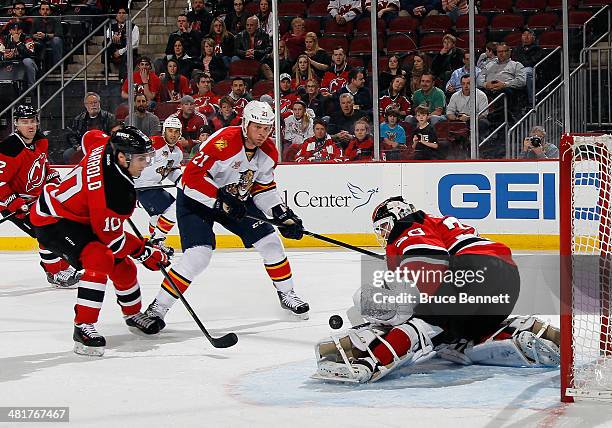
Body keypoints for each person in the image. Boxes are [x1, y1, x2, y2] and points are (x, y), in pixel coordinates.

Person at [314, 196, 559, 383]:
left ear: (398, 216)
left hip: (471, 274)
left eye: (385, 226)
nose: (385, 233)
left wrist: (393, 308)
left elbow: (429, 260)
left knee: (420, 319)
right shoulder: (435, 224)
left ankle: (371, 361)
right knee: (451, 339)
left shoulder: (408, 225)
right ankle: (514, 333)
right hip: (505, 283)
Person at [144, 101, 310, 329]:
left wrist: (282, 214)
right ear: (245, 124)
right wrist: (220, 199)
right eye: (257, 127)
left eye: (267, 128)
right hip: (196, 200)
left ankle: (287, 294)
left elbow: (263, 189)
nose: (262, 133)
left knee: (271, 242)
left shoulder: (269, 152)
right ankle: (157, 308)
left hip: (234, 200)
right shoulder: (223, 141)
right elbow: (191, 178)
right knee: (198, 256)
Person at [30, 127, 170, 356]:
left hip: (81, 216)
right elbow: (114, 242)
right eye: (141, 158)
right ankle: (83, 327)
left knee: (123, 267)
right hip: (54, 220)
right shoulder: (114, 192)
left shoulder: (105, 145)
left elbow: (90, 135)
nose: (146, 163)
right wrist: (147, 253)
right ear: (122, 157)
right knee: (100, 258)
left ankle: (133, 314)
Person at [0, 104, 80, 288]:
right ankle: (54, 273)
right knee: (45, 235)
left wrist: (53, 181)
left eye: (32, 121)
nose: (30, 126)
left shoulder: (40, 140)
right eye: (24, 122)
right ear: (16, 124)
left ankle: (62, 266)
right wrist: (14, 203)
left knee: (61, 229)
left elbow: (43, 166)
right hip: (14, 204)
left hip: (37, 200)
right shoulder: (9, 148)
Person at [135, 117, 184, 256]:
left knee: (157, 217)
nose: (173, 134)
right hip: (141, 187)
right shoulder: (154, 142)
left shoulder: (178, 151)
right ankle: (156, 240)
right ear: (164, 131)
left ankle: (157, 244)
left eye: (176, 131)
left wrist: (180, 179)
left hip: (154, 186)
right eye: (170, 131)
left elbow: (172, 169)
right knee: (176, 208)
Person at [233, 15, 273, 80]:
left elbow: (268, 49)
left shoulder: (264, 35)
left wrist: (255, 52)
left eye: (251, 25)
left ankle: (272, 82)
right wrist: (245, 53)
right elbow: (236, 50)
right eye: (247, 25)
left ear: (257, 26)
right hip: (244, 59)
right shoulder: (240, 35)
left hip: (259, 59)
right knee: (234, 58)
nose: (249, 27)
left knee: (268, 59)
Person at [512, 28, 545, 105]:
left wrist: (521, 64)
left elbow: (532, 62)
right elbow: (514, 60)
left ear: (534, 38)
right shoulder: (517, 49)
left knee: (526, 72)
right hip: (518, 69)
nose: (526, 37)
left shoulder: (538, 49)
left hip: (532, 71)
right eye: (524, 35)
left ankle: (531, 100)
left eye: (529, 35)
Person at [0, 22, 37, 89]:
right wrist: (4, 56)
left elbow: (30, 54)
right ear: (10, 31)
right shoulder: (3, 39)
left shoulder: (28, 38)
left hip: (22, 61)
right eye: (14, 30)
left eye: (18, 29)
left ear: (21, 31)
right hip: (8, 62)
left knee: (28, 61)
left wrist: (18, 42)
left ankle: (31, 88)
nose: (16, 32)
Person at [104, 7, 138, 80]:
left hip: (127, 51)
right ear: (116, 16)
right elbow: (107, 36)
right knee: (105, 42)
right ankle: (106, 67)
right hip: (114, 51)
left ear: (127, 15)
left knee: (127, 54)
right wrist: (112, 37)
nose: (121, 15)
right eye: (119, 13)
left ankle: (122, 78)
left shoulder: (134, 27)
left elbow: (134, 44)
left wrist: (120, 52)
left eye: (123, 13)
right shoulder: (111, 27)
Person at [31, 1, 64, 70]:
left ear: (50, 11)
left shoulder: (56, 20)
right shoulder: (35, 20)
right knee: (34, 42)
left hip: (52, 40)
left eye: (47, 9)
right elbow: (31, 34)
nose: (45, 11)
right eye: (43, 9)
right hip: (40, 40)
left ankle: (57, 66)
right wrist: (35, 36)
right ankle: (38, 68)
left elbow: (58, 34)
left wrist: (45, 35)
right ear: (40, 11)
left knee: (57, 40)